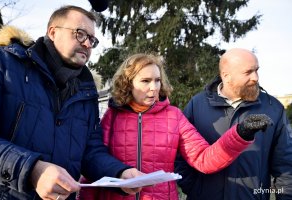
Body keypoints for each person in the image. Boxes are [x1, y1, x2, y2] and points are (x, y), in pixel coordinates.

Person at [0, 5, 142, 200]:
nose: (88, 44)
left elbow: (91, 152)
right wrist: (32, 169)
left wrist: (120, 174)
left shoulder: (87, 92)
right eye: (80, 34)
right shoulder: (2, 64)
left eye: (92, 39)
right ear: (53, 32)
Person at [78, 53, 272, 200]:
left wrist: (240, 133)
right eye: (145, 81)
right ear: (128, 84)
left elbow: (204, 159)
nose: (154, 88)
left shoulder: (174, 116)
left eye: (157, 80)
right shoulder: (112, 116)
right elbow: (95, 164)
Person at [175, 48, 292, 200]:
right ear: (226, 76)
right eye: (248, 72)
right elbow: (179, 154)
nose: (255, 77)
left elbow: (285, 165)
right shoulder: (197, 105)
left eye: (257, 70)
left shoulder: (273, 108)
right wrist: (194, 188)